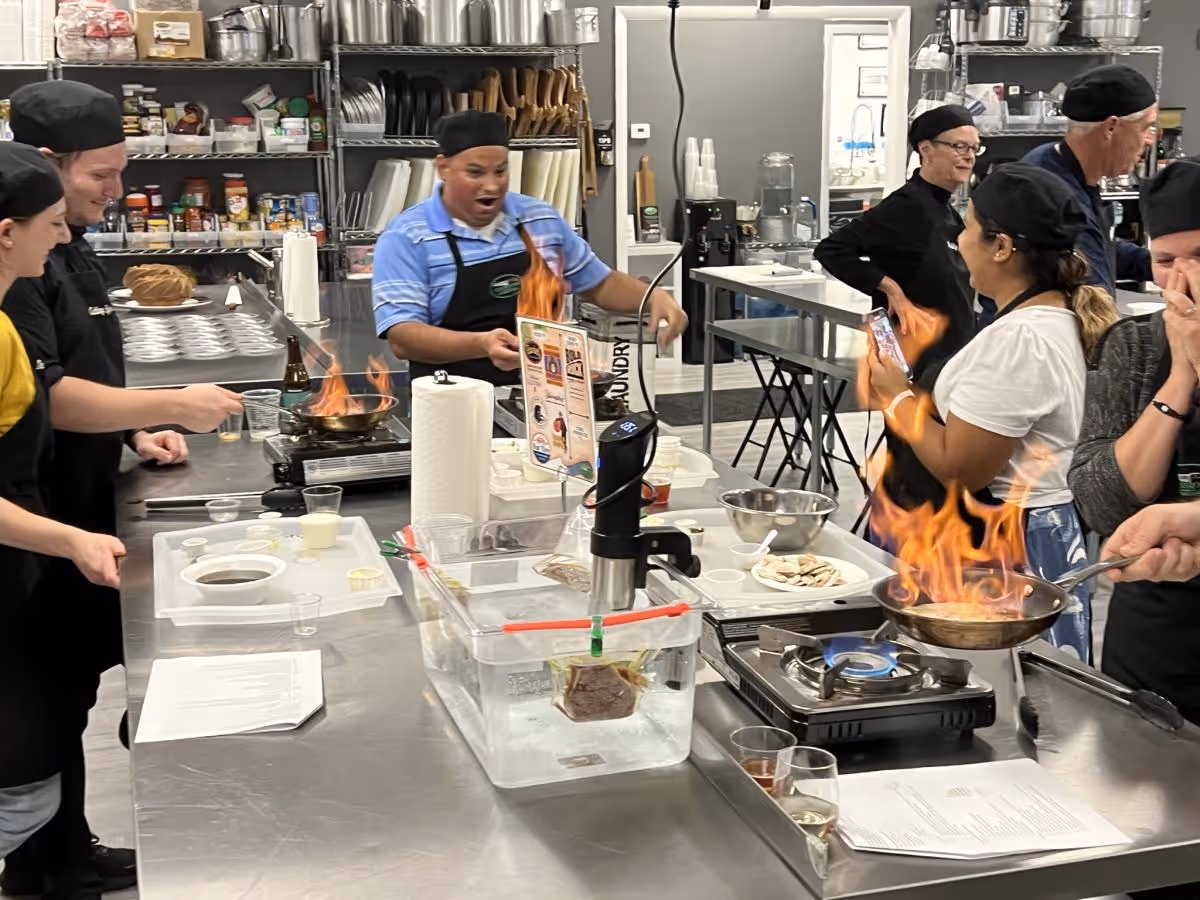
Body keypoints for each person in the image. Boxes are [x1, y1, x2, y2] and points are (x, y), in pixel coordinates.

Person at [2, 80, 243, 900]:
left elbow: (83, 362)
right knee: (40, 707)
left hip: (74, 507)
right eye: (101, 175)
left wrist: (134, 431)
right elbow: (50, 395)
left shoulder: (63, 238)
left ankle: (64, 852)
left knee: (64, 694)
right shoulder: (20, 259)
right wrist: (172, 403)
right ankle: (43, 867)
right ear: (46, 165)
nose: (114, 190)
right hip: (37, 516)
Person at [866, 163, 1119, 660]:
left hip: (1008, 545)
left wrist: (896, 397)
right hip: (1040, 533)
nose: (959, 240)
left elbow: (962, 465)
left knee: (1006, 678)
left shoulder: (1020, 340)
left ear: (1001, 246)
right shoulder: (1058, 318)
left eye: (967, 227)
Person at [0, 142, 124, 863]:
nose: (64, 235)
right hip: (14, 552)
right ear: (6, 233)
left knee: (32, 773)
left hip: (18, 558)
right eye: (52, 222)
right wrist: (68, 539)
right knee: (19, 793)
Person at [372, 110, 687, 384]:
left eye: (500, 170)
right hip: (450, 397)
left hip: (545, 391)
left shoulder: (539, 219)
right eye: (475, 172)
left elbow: (599, 283)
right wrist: (481, 344)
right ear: (443, 168)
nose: (491, 185)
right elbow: (403, 337)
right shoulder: (408, 237)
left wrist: (652, 296)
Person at [1068, 159, 1200, 733]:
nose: (1183, 279)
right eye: (1166, 261)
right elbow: (1101, 503)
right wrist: (1181, 377)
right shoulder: (1135, 347)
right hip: (1154, 630)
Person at [816, 105, 982, 366]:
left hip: (949, 352)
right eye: (959, 147)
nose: (969, 157)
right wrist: (890, 289)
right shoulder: (905, 206)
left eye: (974, 148)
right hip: (913, 353)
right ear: (926, 149)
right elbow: (831, 249)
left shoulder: (944, 208)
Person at [1025, 64, 1158, 299]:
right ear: (1111, 128)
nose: (1150, 140)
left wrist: (1165, 263)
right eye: (1145, 128)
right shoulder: (1056, 198)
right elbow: (1091, 298)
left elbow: (1100, 249)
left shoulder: (1055, 162)